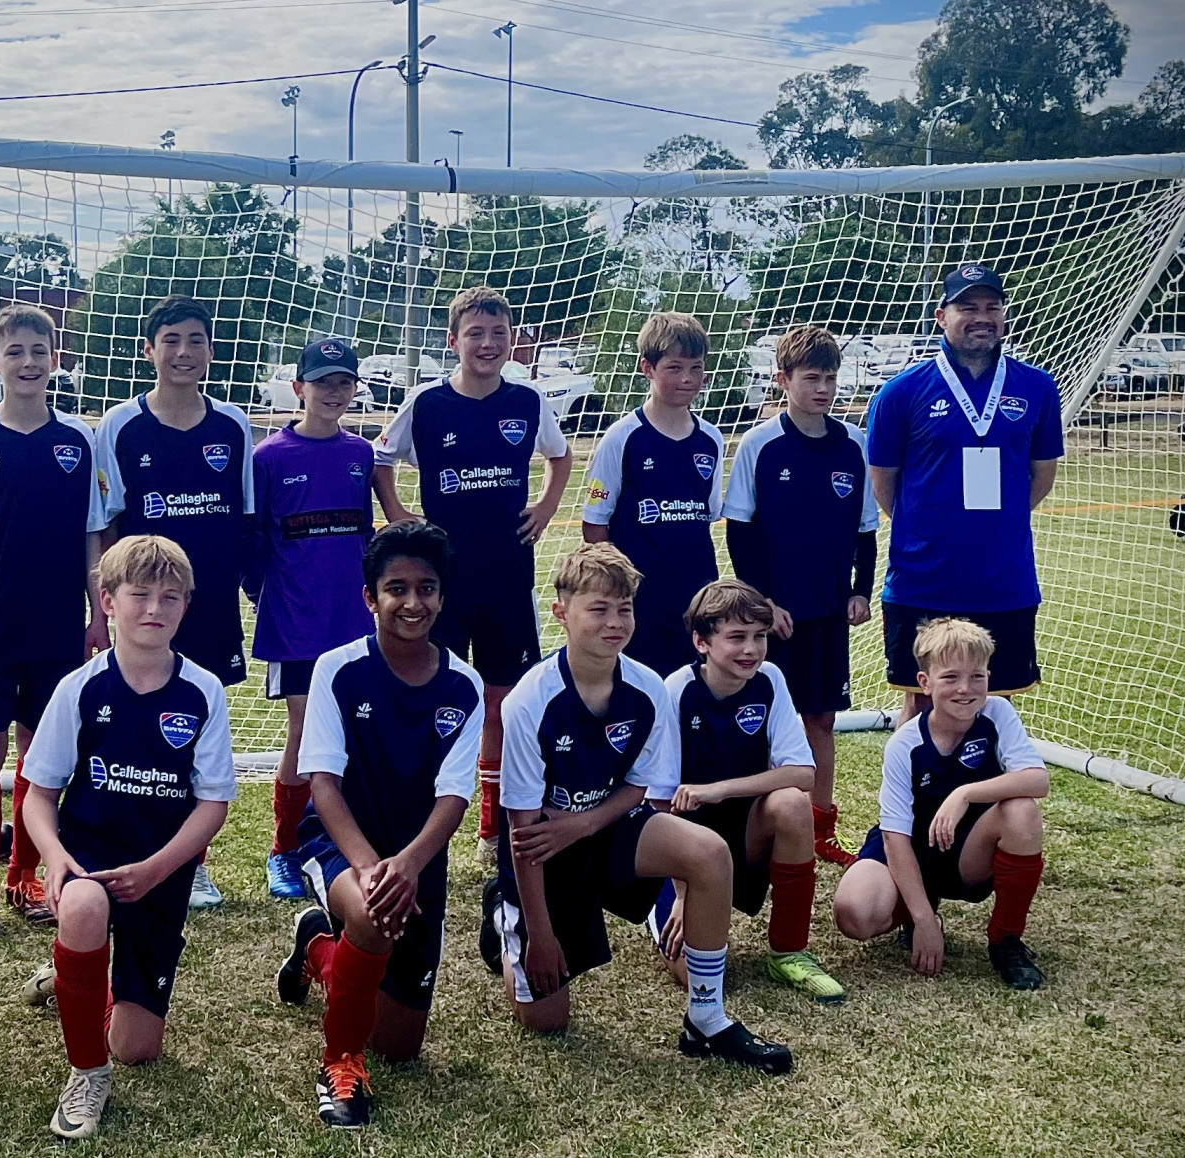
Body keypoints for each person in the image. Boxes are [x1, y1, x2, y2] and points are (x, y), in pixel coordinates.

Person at [479, 543, 792, 1071]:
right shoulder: (529, 700)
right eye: (598, 609)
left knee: (709, 852)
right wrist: (542, 934)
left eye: (624, 608)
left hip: (602, 830)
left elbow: (641, 788)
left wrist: (584, 822)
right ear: (561, 613)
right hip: (545, 851)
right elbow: (523, 832)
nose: (614, 621)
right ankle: (503, 916)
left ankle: (707, 1018)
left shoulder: (648, 689)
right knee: (547, 1019)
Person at [17, 535, 236, 1141]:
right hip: (88, 856)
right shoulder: (81, 687)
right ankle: (87, 1072)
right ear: (108, 601)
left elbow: (213, 803)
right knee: (86, 905)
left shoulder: (203, 691)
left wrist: (160, 869)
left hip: (159, 870)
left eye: (170, 597)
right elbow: (38, 793)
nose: (154, 609)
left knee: (139, 1048)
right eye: (139, 595)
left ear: (186, 607)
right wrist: (56, 859)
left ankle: (74, 973)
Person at [273, 520, 484, 1129]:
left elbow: (453, 796)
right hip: (338, 846)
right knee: (369, 913)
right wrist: (372, 870)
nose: (412, 603)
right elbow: (323, 786)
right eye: (396, 588)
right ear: (370, 598)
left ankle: (318, 944)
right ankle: (339, 1063)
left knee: (402, 1047)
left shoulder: (463, 685)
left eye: (427, 588)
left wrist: (410, 864)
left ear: (443, 597)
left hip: (418, 861)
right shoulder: (337, 670)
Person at [0, 305, 110, 945]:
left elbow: (94, 533)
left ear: (56, 359)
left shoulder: (77, 441)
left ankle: (25, 876)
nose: (29, 362)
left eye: (40, 351)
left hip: (57, 624)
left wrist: (99, 614)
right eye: (16, 352)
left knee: (41, 755)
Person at [373, 284, 572, 859]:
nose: (488, 344)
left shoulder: (529, 401)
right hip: (442, 578)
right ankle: (417, 819)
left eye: (499, 334)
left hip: (507, 572)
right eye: (476, 333)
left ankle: (491, 826)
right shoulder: (428, 403)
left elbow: (559, 457)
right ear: (453, 341)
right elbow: (380, 459)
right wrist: (399, 516)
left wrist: (546, 506)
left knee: (501, 701)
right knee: (432, 691)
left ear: (513, 341)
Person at [96, 295, 255, 911]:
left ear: (210, 350)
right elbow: (107, 526)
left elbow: (242, 518)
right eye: (171, 340)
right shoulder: (119, 425)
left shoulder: (233, 424)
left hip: (208, 606)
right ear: (149, 349)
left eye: (195, 340)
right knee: (130, 730)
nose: (184, 352)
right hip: (144, 610)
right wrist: (108, 604)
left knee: (196, 730)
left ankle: (192, 866)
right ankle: (127, 849)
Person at [865, 264, 1063, 720]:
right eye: (968, 306)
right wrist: (932, 525)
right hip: (923, 581)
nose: (982, 317)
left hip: (1003, 582)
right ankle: (916, 794)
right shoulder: (901, 392)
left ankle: (988, 794)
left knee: (996, 709)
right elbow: (884, 484)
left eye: (992, 306)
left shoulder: (1037, 388)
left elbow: (1041, 477)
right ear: (941, 316)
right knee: (919, 704)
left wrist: (998, 521)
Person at [722, 325, 879, 867]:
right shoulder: (760, 445)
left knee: (820, 721)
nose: (824, 388)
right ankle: (755, 827)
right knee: (759, 719)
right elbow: (739, 529)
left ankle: (819, 828)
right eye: (812, 377)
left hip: (827, 615)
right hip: (772, 618)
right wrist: (764, 605)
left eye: (831, 377)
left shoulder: (853, 445)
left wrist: (860, 590)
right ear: (783, 380)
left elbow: (865, 529)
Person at [648, 579, 844, 1004]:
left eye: (760, 637)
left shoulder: (770, 680)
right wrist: (681, 893)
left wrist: (720, 789)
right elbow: (660, 803)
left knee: (792, 804)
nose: (751, 650)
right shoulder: (676, 690)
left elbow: (803, 773)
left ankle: (789, 951)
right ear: (701, 642)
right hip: (689, 846)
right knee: (695, 975)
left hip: (747, 835)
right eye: (736, 637)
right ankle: (663, 904)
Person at [831, 617, 1050, 990]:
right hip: (912, 851)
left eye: (976, 677)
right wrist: (926, 921)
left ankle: (1005, 941)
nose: (965, 689)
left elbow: (1037, 780)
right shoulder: (905, 743)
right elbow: (895, 838)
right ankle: (918, 911)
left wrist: (964, 794)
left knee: (1021, 810)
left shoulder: (997, 714)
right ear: (925, 683)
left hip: (968, 852)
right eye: (950, 677)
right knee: (854, 914)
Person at [243, 337, 377, 900]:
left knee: (358, 733)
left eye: (343, 382)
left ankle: (352, 841)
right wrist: (264, 596)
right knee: (304, 736)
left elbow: (366, 536)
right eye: (322, 382)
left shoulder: (361, 452)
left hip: (356, 623)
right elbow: (252, 543)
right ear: (298, 388)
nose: (333, 392)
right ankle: (285, 850)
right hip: (297, 624)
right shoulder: (268, 456)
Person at [580, 311, 726, 677]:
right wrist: (618, 591)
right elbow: (595, 526)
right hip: (639, 601)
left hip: (696, 596)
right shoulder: (623, 437)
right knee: (638, 695)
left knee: (690, 697)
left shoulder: (711, 439)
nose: (687, 378)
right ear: (648, 368)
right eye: (675, 368)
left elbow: (705, 516)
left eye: (696, 367)